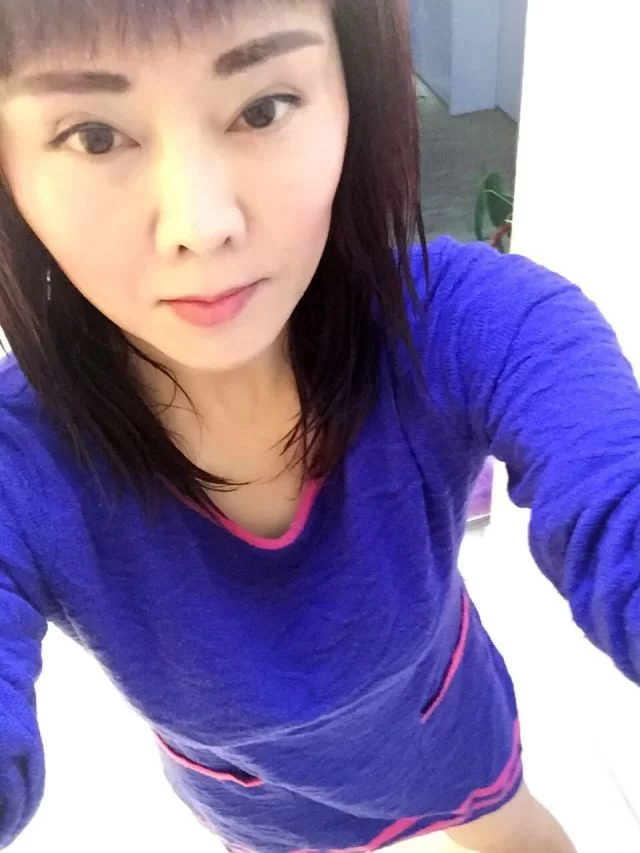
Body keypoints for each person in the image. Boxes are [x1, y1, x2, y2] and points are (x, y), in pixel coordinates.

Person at [0, 1, 635, 851]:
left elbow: (616, 495)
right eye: (94, 135)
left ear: (352, 98)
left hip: (447, 733)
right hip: (259, 807)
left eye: (263, 108)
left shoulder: (460, 322)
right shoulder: (20, 461)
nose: (202, 225)